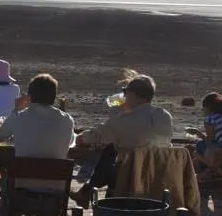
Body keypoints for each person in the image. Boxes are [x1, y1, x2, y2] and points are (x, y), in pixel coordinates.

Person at [0, 73, 75, 216]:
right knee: (18, 177)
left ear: (30, 96)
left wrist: (16, 110)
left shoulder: (19, 117)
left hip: (22, 193)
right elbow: (71, 143)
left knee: (8, 178)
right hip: (56, 193)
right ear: (54, 96)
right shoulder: (67, 120)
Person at [73, 74, 173, 205]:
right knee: (112, 152)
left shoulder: (125, 119)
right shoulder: (165, 116)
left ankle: (88, 191)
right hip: (157, 173)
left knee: (110, 153)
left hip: (129, 175)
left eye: (125, 92)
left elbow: (96, 136)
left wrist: (79, 138)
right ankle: (86, 191)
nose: (124, 96)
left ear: (133, 94)